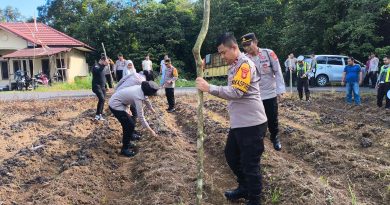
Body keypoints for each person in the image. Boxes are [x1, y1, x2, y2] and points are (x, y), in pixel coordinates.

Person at [196, 33, 268, 205]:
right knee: (231, 155)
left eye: (223, 52)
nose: (221, 56)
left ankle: (255, 199)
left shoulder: (245, 65)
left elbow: (236, 92)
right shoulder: (234, 63)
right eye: (219, 53)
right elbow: (216, 63)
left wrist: (209, 88)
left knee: (250, 164)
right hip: (240, 124)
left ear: (234, 48)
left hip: (252, 124)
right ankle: (244, 187)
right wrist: (204, 63)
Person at [241, 32, 285, 151]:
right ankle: (259, 139)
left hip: (270, 93)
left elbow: (278, 71)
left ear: (255, 42)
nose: (246, 48)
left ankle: (275, 137)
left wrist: (280, 90)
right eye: (244, 46)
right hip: (255, 95)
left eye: (248, 44)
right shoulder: (244, 58)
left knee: (272, 117)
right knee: (256, 119)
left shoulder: (268, 53)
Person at [109, 81, 159, 157]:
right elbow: (141, 116)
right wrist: (151, 131)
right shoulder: (138, 96)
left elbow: (146, 99)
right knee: (129, 125)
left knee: (129, 123)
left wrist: (151, 109)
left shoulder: (141, 89)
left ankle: (128, 140)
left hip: (122, 103)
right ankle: (125, 149)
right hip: (115, 105)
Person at [92, 56, 108, 121]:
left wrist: (106, 85)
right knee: (102, 99)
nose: (106, 63)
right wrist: (104, 65)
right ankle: (97, 115)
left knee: (103, 100)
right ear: (102, 60)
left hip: (103, 86)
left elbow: (103, 76)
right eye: (105, 62)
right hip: (96, 86)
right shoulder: (96, 65)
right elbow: (97, 71)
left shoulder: (103, 67)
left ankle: (100, 115)